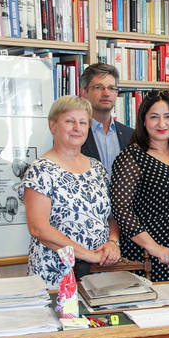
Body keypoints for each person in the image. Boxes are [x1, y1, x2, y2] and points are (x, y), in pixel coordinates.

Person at [21, 96, 120, 287]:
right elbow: (38, 228)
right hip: (55, 274)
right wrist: (86, 255)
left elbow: (110, 215)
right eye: (69, 121)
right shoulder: (40, 170)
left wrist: (113, 243)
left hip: (97, 273)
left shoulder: (97, 167)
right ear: (53, 126)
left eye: (83, 122)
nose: (77, 128)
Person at [111, 90, 169, 282]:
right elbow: (121, 210)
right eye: (154, 117)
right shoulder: (132, 157)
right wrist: (153, 247)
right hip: (148, 258)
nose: (161, 124)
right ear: (143, 120)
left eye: (168, 117)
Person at [79, 63, 134, 175]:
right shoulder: (75, 134)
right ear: (84, 93)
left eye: (111, 88)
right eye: (98, 87)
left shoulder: (131, 136)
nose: (106, 93)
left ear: (116, 93)